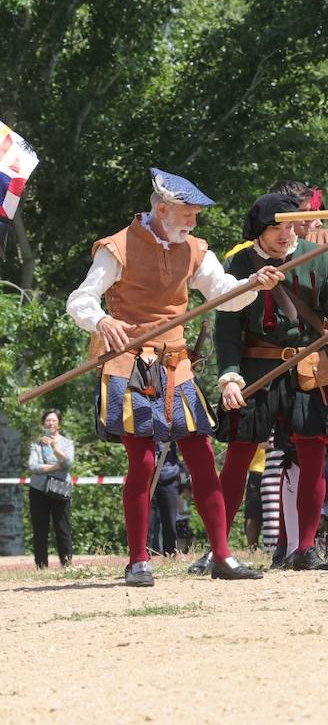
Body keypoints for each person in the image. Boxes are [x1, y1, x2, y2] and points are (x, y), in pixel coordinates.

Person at [65, 168, 280, 585]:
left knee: (201, 455)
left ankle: (222, 556)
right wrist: (102, 321)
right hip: (129, 363)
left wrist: (254, 283)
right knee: (144, 461)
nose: (193, 223)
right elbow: (81, 300)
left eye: (196, 216)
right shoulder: (117, 247)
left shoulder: (195, 250)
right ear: (162, 210)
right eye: (188, 214)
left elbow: (223, 293)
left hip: (176, 364)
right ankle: (138, 560)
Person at [213, 192, 328, 571]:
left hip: (308, 366)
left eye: (289, 226)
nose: (286, 234)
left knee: (312, 455)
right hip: (256, 369)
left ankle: (304, 548)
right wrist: (229, 376)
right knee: (238, 456)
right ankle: (217, 549)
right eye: (276, 228)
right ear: (259, 230)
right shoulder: (240, 264)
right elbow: (227, 328)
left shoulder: (319, 257)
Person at [27, 409, 75, 569]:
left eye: (54, 420)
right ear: (43, 424)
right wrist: (56, 466)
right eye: (47, 420)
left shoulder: (67, 443)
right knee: (40, 529)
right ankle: (41, 566)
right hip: (38, 490)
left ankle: (67, 565)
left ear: (59, 423)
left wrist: (55, 448)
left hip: (60, 490)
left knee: (63, 528)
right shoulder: (36, 445)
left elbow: (68, 463)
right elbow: (33, 466)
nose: (51, 423)